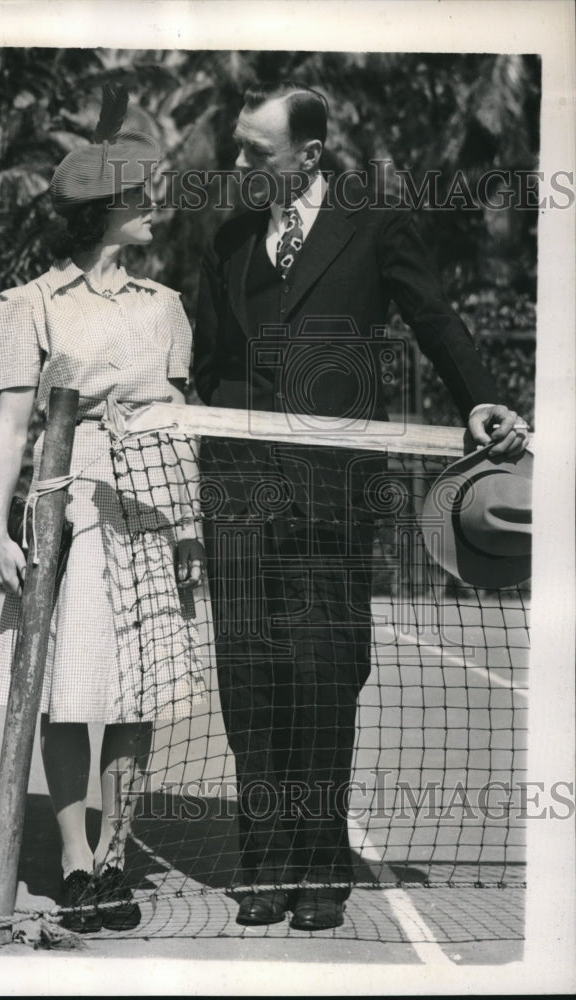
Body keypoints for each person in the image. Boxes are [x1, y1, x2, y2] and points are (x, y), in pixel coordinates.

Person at [193, 81, 529, 931]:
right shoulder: (227, 233)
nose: (236, 165)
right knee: (248, 675)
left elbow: (433, 316)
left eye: (253, 152)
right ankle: (263, 861)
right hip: (236, 494)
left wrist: (481, 396)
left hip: (331, 497)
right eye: (236, 146)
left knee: (322, 672)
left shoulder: (373, 222)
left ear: (308, 155)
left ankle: (318, 860)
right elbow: (202, 363)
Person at [0, 103, 206, 933]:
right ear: (102, 210)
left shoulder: (166, 305)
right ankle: (76, 860)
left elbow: (179, 424)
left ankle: (117, 854)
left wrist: (186, 530)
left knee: (138, 694)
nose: (156, 206)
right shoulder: (29, 304)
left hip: (152, 500)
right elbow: (11, 425)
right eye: (142, 194)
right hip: (66, 503)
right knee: (69, 692)